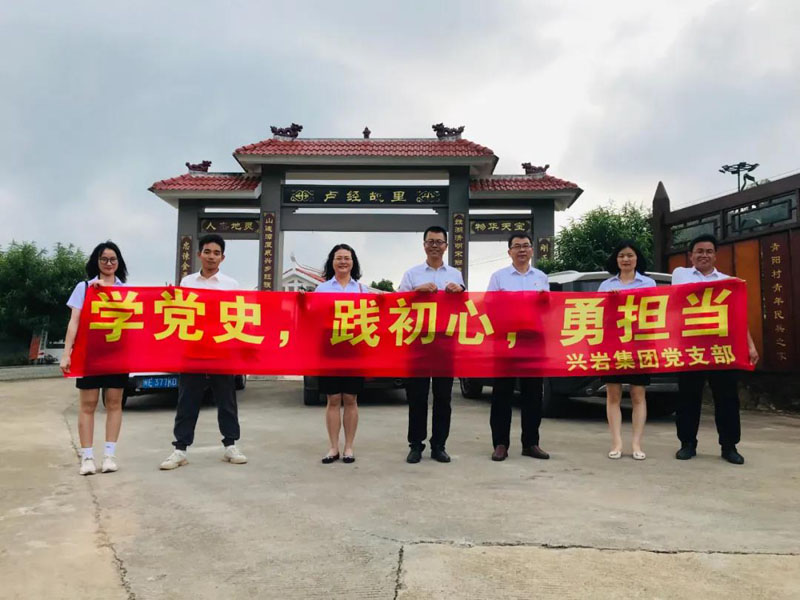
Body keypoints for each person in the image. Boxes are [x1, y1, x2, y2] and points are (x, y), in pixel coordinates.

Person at [160, 233, 247, 470]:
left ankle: (231, 445)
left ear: (222, 258)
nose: (211, 257)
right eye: (207, 252)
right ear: (199, 254)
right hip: (194, 349)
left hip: (222, 350)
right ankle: (180, 449)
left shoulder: (231, 285)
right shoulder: (187, 283)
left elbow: (238, 315)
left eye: (216, 253)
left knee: (226, 400)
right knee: (187, 400)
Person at [671, 233, 759, 465]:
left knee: (727, 398)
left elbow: (737, 319)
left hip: (722, 349)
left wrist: (750, 345)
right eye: (699, 251)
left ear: (715, 255)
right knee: (688, 396)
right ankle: (687, 444)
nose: (704, 255)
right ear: (691, 255)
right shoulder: (680, 275)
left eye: (709, 251)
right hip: (690, 347)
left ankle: (729, 446)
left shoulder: (729, 282)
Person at [60, 241, 129, 476]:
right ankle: (87, 457)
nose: (109, 263)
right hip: (89, 354)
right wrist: (66, 353)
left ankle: (109, 455)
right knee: (88, 405)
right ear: (96, 262)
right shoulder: (84, 287)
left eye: (113, 259)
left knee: (114, 403)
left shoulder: (126, 290)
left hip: (117, 354)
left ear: (119, 262)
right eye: (104, 259)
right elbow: (74, 322)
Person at [398, 225, 465, 464]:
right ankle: (416, 444)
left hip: (445, 341)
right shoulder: (412, 274)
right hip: (418, 341)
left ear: (446, 246)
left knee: (443, 397)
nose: (435, 246)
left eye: (439, 242)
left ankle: (439, 445)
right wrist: (416, 291)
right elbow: (398, 303)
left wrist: (460, 290)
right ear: (424, 245)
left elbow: (463, 307)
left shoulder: (455, 274)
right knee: (417, 396)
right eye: (430, 241)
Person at [486, 233, 551, 462]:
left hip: (533, 341)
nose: (522, 250)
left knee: (533, 394)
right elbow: (488, 306)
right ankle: (500, 444)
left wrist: (545, 301)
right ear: (509, 252)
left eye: (525, 246)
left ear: (532, 250)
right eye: (517, 246)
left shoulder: (541, 277)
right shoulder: (499, 277)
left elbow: (547, 311)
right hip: (506, 340)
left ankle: (531, 443)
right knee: (501, 394)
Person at [311, 244, 371, 464]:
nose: (343, 262)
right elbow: (312, 317)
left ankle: (349, 447)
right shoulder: (322, 289)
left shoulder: (363, 290)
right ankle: (333, 447)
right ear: (332, 262)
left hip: (354, 348)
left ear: (353, 262)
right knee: (333, 398)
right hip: (329, 348)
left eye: (347, 258)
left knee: (351, 398)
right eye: (339, 258)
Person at [597, 240, 656, 461]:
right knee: (613, 394)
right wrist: (610, 301)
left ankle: (636, 444)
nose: (626, 259)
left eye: (630, 255)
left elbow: (654, 312)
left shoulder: (648, 283)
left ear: (637, 258)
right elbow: (597, 315)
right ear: (616, 260)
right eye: (621, 255)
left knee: (638, 394)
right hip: (613, 344)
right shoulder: (606, 285)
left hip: (639, 343)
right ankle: (617, 443)